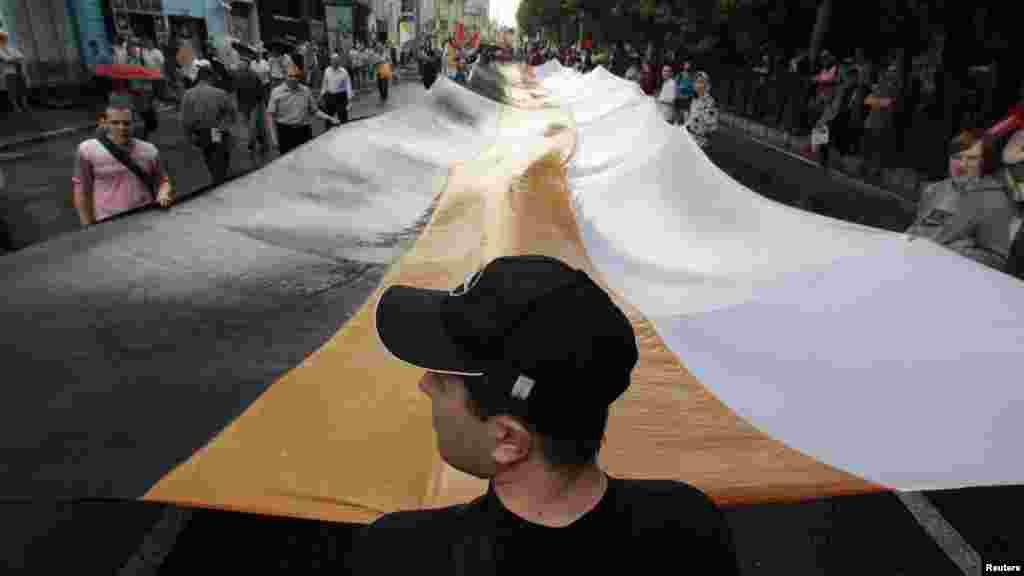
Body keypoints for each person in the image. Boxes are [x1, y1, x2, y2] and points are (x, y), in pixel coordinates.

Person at [353, 255, 740, 573]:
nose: (425, 384)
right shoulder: (689, 526)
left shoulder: (401, 556)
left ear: (508, 440)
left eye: (443, 380)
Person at [72, 98, 174, 226]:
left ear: (134, 124)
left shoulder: (149, 150)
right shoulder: (87, 150)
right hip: (108, 222)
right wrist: (87, 225)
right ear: (104, 123)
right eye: (115, 123)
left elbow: (163, 180)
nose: (122, 128)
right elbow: (81, 190)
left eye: (126, 123)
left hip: (147, 217)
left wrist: (163, 193)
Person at [906, 130, 1002, 251]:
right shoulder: (933, 190)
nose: (962, 165)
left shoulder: (995, 200)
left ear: (984, 163)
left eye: (972, 158)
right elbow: (916, 229)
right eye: (956, 157)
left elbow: (996, 258)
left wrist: (956, 251)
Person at [181, 61, 238, 185]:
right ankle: (220, 182)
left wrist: (189, 137)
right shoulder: (220, 93)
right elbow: (232, 114)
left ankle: (217, 180)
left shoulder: (188, 94)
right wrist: (226, 126)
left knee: (209, 158)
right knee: (220, 157)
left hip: (200, 132)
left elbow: (185, 120)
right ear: (209, 78)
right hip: (217, 130)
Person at [267, 63, 340, 156]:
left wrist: (330, 118)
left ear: (299, 77)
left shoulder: (306, 90)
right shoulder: (276, 92)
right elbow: (270, 116)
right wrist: (274, 139)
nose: (293, 78)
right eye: (290, 76)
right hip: (285, 132)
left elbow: (315, 111)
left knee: (307, 159)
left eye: (296, 76)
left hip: (304, 131)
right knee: (287, 163)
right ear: (285, 76)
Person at [685, 72, 718, 149]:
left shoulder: (709, 101)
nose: (698, 85)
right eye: (696, 82)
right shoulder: (694, 99)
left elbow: (712, 126)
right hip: (689, 139)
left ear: (707, 85)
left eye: (701, 82)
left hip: (700, 142)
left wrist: (701, 135)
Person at [0, 30, 30, 112]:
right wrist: (15, 59)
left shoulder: (11, 48)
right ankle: (16, 107)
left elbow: (21, 57)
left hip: (19, 71)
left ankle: (25, 105)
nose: (4, 39)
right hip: (9, 72)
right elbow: (6, 60)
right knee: (12, 91)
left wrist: (14, 59)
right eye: (2, 38)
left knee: (23, 89)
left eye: (5, 38)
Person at [320, 53, 353, 125]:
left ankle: (344, 132)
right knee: (329, 118)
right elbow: (324, 84)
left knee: (343, 117)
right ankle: (329, 131)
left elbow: (348, 86)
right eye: (333, 60)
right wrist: (322, 96)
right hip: (330, 96)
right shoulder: (327, 71)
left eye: (337, 60)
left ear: (339, 61)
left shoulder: (344, 72)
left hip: (341, 97)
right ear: (330, 61)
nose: (335, 62)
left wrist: (349, 100)